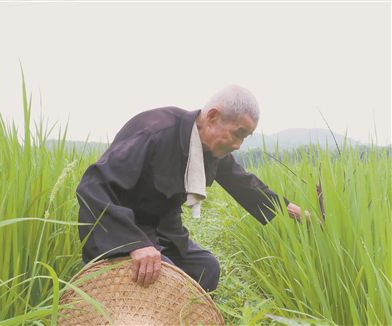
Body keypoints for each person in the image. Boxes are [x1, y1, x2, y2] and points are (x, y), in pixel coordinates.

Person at [76, 85, 307, 293]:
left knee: (207, 269)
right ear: (213, 117)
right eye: (238, 133)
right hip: (120, 230)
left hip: (163, 230)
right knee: (165, 276)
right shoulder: (155, 131)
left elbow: (244, 184)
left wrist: (298, 213)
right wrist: (134, 244)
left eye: (244, 138)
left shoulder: (209, 148)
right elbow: (92, 187)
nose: (238, 145)